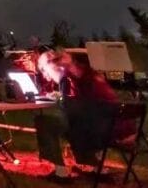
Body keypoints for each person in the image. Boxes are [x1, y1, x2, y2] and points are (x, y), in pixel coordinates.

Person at [34, 50, 127, 183]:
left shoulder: (72, 75)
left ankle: (61, 173)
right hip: (115, 125)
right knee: (72, 123)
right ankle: (98, 169)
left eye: (49, 63)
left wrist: (62, 99)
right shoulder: (77, 75)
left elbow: (80, 103)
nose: (53, 65)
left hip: (105, 130)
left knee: (45, 122)